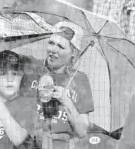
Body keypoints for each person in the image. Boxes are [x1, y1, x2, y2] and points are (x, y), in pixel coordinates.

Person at [27, 21, 94, 149]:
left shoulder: (80, 80)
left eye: (61, 47)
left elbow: (82, 131)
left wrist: (66, 100)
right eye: (51, 43)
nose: (53, 50)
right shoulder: (33, 68)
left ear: (73, 53)